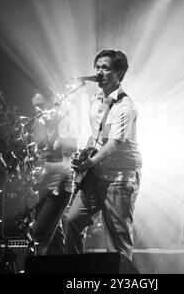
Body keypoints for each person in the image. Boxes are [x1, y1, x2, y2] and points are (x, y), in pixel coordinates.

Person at [65, 49, 142, 260]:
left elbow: (114, 142)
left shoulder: (126, 106)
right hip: (97, 174)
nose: (99, 71)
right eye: (97, 67)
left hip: (120, 178)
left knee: (117, 242)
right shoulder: (97, 99)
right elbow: (98, 136)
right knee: (72, 221)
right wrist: (84, 155)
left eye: (105, 68)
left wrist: (89, 162)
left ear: (119, 73)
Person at [28, 89, 78, 255]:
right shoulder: (39, 124)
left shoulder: (66, 123)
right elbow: (40, 153)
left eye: (41, 105)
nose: (38, 110)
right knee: (54, 236)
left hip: (59, 185)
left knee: (39, 234)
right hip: (43, 185)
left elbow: (67, 163)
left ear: (54, 102)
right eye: (35, 106)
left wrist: (44, 168)